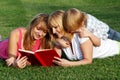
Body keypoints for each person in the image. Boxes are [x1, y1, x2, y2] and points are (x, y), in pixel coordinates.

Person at [48, 9, 120, 67]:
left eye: (55, 27)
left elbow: (88, 60)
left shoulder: (82, 35)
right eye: (52, 28)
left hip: (115, 46)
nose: (53, 31)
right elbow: (54, 59)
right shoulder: (60, 41)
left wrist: (69, 64)